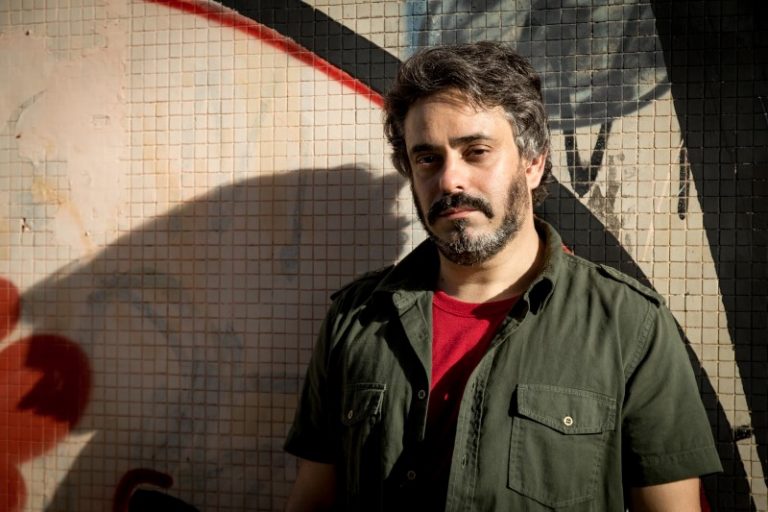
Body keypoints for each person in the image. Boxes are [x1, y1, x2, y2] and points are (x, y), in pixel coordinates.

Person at [284, 41, 722, 511]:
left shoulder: (629, 325)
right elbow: (313, 499)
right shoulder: (355, 318)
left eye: (476, 151)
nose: (450, 180)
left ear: (532, 164)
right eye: (427, 158)